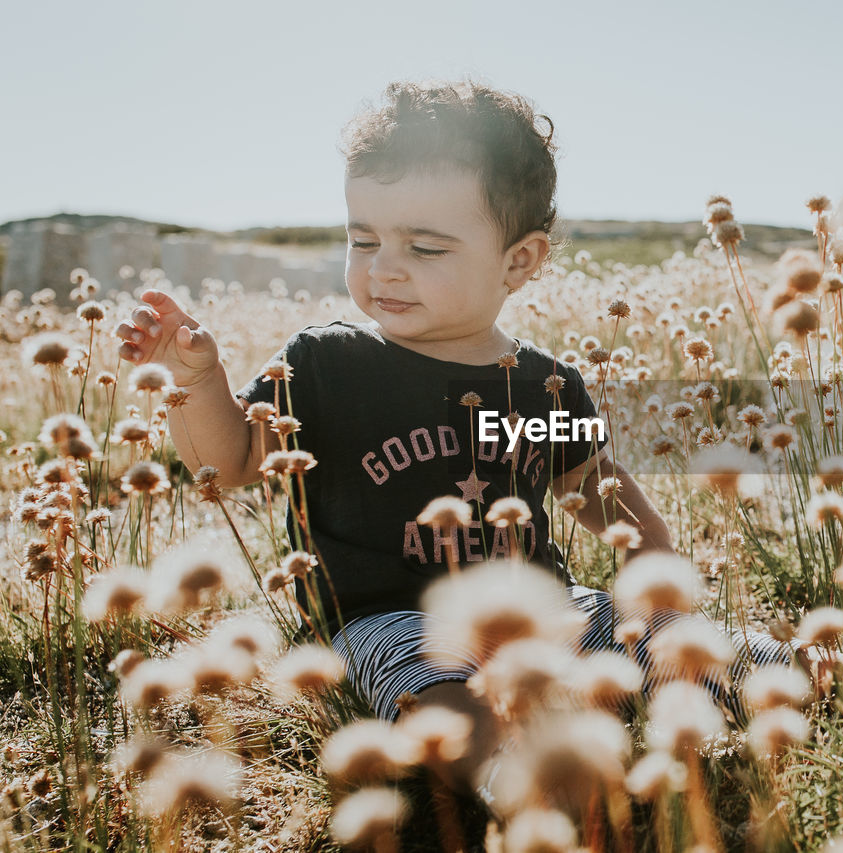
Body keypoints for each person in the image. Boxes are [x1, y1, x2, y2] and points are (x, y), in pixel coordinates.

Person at [114, 79, 800, 793]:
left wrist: (657, 583)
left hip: (546, 611)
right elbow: (228, 466)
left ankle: (835, 670)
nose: (383, 266)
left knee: (694, 652)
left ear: (519, 261)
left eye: (426, 247)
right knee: (437, 697)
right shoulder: (326, 362)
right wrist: (197, 381)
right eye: (363, 238)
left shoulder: (541, 382)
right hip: (386, 621)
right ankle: (518, 780)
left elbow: (594, 484)